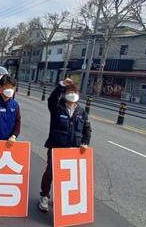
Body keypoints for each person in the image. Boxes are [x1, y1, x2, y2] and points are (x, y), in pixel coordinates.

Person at [38, 78, 92, 212]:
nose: (73, 94)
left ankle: (64, 199)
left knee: (69, 176)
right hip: (56, 147)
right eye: (70, 91)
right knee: (50, 172)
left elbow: (87, 128)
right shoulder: (57, 107)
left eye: (75, 92)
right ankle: (44, 196)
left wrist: (85, 142)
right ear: (64, 94)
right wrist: (62, 85)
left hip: (73, 150)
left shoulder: (81, 111)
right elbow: (51, 99)